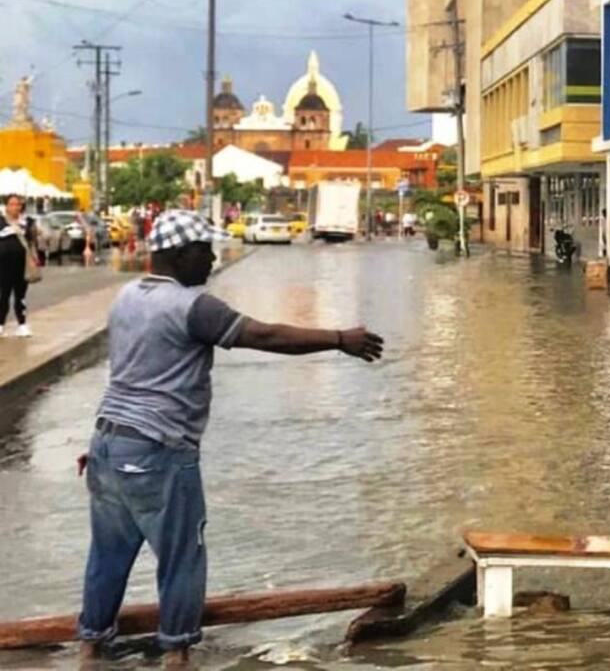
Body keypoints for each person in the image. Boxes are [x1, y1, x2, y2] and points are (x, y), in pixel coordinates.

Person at [76, 210, 384, 666]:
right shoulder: (192, 306)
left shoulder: (126, 296)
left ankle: (90, 646)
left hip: (106, 444)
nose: (212, 258)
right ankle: (177, 654)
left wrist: (107, 445)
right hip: (158, 449)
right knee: (182, 557)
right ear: (181, 254)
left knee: (107, 554)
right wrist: (340, 338)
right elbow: (265, 335)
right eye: (205, 250)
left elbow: (128, 373)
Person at [0, 193, 38, 338]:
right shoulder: (1, 221)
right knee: (3, 295)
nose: (15, 207)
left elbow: (33, 240)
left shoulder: (27, 223)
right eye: (12, 204)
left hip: (22, 265)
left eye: (18, 204)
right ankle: (1, 324)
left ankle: (22, 324)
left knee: (20, 296)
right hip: (4, 264)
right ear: (6, 206)